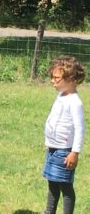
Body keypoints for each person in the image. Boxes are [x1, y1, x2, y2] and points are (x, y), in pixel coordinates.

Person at [42, 55, 86, 214]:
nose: (52, 80)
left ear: (71, 79)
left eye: (56, 78)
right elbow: (56, 119)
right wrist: (49, 141)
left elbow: (80, 128)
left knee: (65, 186)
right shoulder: (61, 95)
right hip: (53, 149)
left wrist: (74, 152)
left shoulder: (75, 102)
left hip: (64, 153)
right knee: (52, 183)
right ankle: (49, 211)